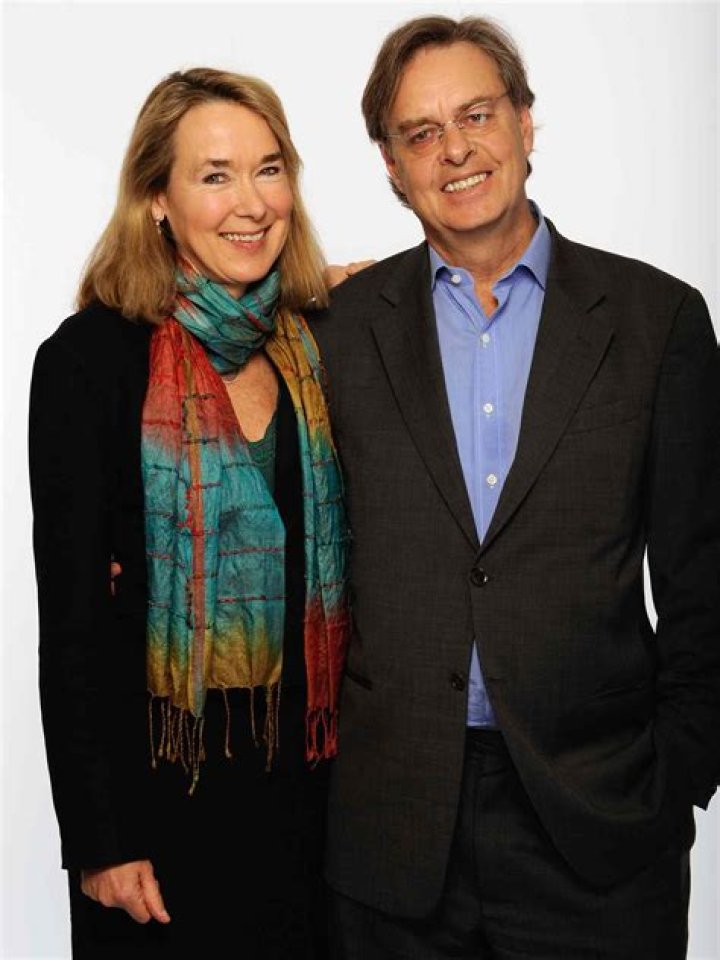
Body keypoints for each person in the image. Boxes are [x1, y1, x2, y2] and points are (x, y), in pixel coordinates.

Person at [311, 15, 720, 959]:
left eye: (477, 114)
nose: (454, 150)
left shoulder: (656, 320)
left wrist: (678, 778)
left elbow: (704, 576)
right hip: (394, 837)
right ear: (391, 165)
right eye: (421, 133)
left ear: (526, 124)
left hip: (598, 830)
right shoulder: (335, 330)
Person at [28, 67, 350, 959]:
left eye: (269, 169)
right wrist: (101, 841)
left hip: (313, 808)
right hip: (159, 816)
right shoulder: (90, 361)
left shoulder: (316, 343)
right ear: (157, 200)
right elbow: (72, 622)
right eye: (215, 175)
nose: (251, 203)